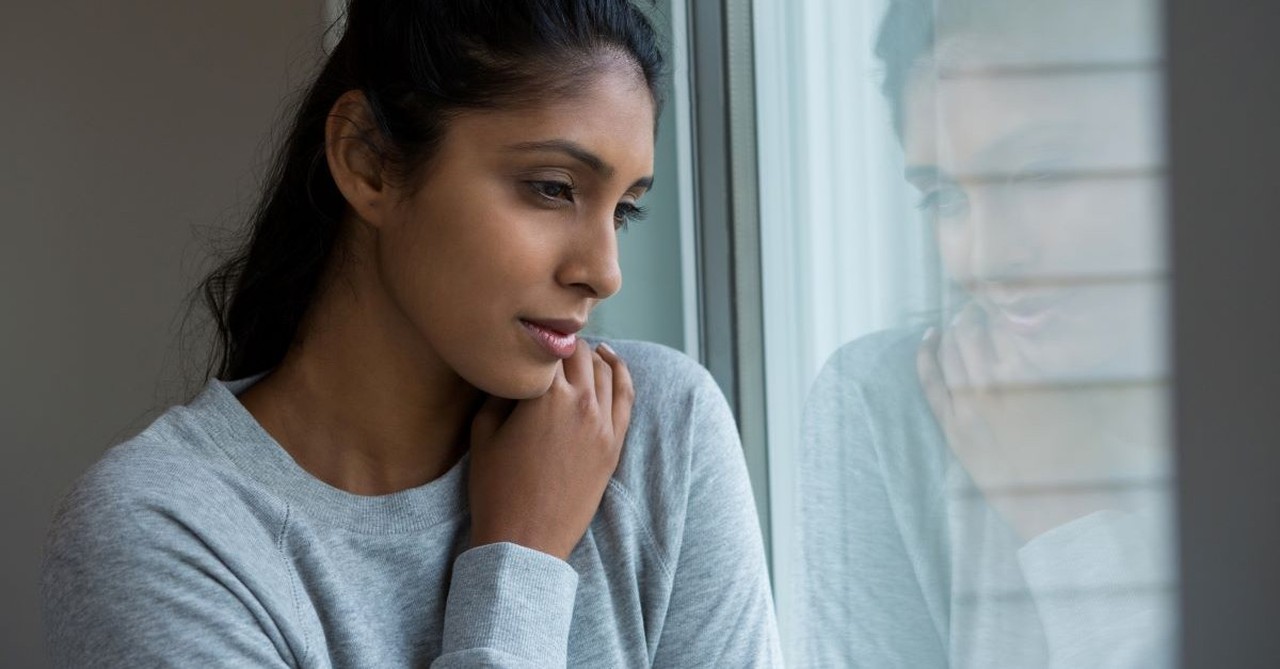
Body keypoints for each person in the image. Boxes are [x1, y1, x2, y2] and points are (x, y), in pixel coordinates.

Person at [41, 1, 781, 667]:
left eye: (623, 210)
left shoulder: (656, 430)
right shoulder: (165, 532)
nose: (605, 271)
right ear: (369, 160)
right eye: (553, 188)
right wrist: (518, 563)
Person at [794, 0, 1173, 666]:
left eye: (1042, 176)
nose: (988, 257)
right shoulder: (890, 412)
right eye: (945, 196)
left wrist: (1067, 517)